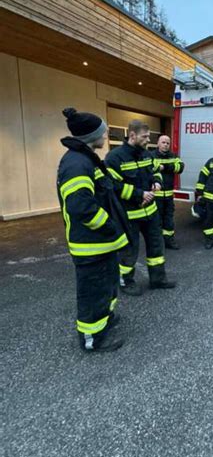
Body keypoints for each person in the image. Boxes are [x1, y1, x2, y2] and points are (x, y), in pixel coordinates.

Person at [57, 107, 133, 353]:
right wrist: (110, 226)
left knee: (106, 287)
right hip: (91, 245)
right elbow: (81, 208)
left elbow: (110, 190)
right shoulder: (76, 164)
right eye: (103, 130)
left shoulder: (87, 159)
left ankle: (105, 321)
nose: (106, 133)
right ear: (92, 136)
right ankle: (92, 338)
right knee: (92, 292)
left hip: (102, 244)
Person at [105, 120, 176, 294]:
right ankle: (126, 282)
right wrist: (139, 194)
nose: (148, 140)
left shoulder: (147, 155)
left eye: (148, 136)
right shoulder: (114, 158)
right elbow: (112, 185)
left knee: (156, 246)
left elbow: (155, 172)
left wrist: (157, 183)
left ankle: (158, 279)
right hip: (129, 215)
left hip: (151, 213)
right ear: (132, 136)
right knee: (129, 251)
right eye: (144, 137)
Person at [154, 134, 184, 249]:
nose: (166, 145)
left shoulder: (173, 156)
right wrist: (169, 166)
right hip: (156, 196)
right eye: (163, 142)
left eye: (167, 143)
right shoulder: (151, 155)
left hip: (169, 195)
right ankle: (157, 242)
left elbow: (180, 167)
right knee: (156, 220)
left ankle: (169, 241)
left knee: (169, 219)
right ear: (158, 143)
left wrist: (164, 167)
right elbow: (151, 168)